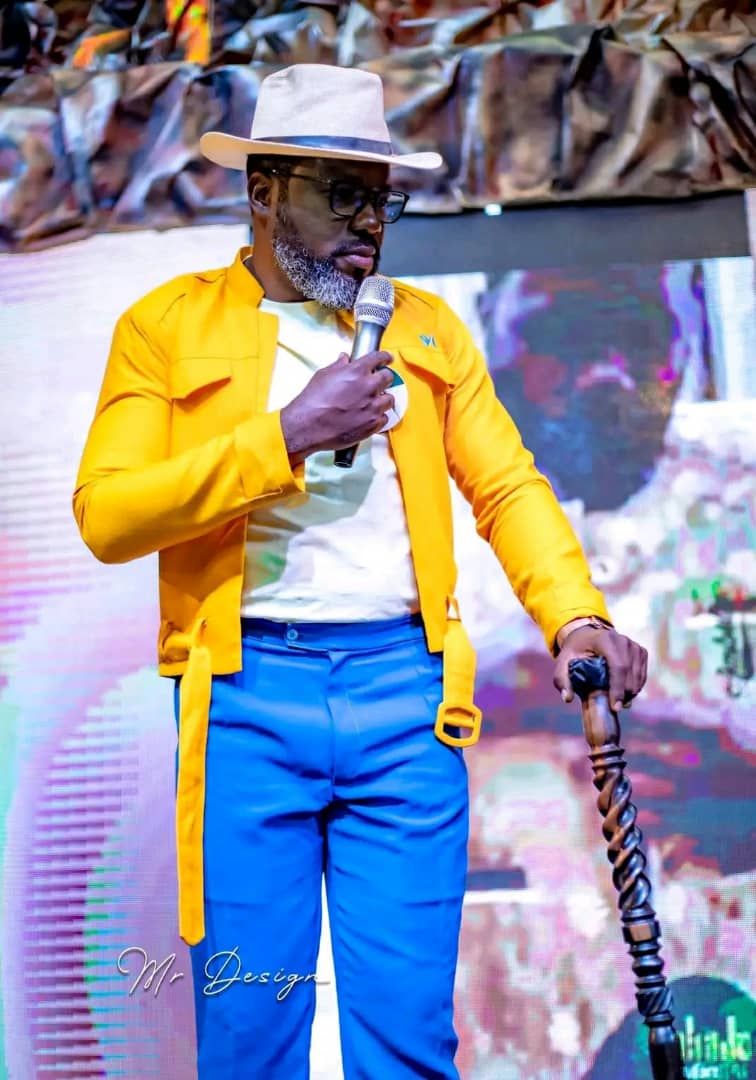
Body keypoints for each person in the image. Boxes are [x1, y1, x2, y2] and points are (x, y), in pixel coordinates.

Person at [72, 63, 648, 1080]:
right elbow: (108, 517)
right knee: (250, 1040)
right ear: (263, 191)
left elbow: (508, 487)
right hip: (243, 699)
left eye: (381, 198)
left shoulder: (426, 329)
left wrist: (576, 617)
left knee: (409, 1041)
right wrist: (286, 435)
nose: (370, 221)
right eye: (343, 194)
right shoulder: (166, 327)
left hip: (405, 700)